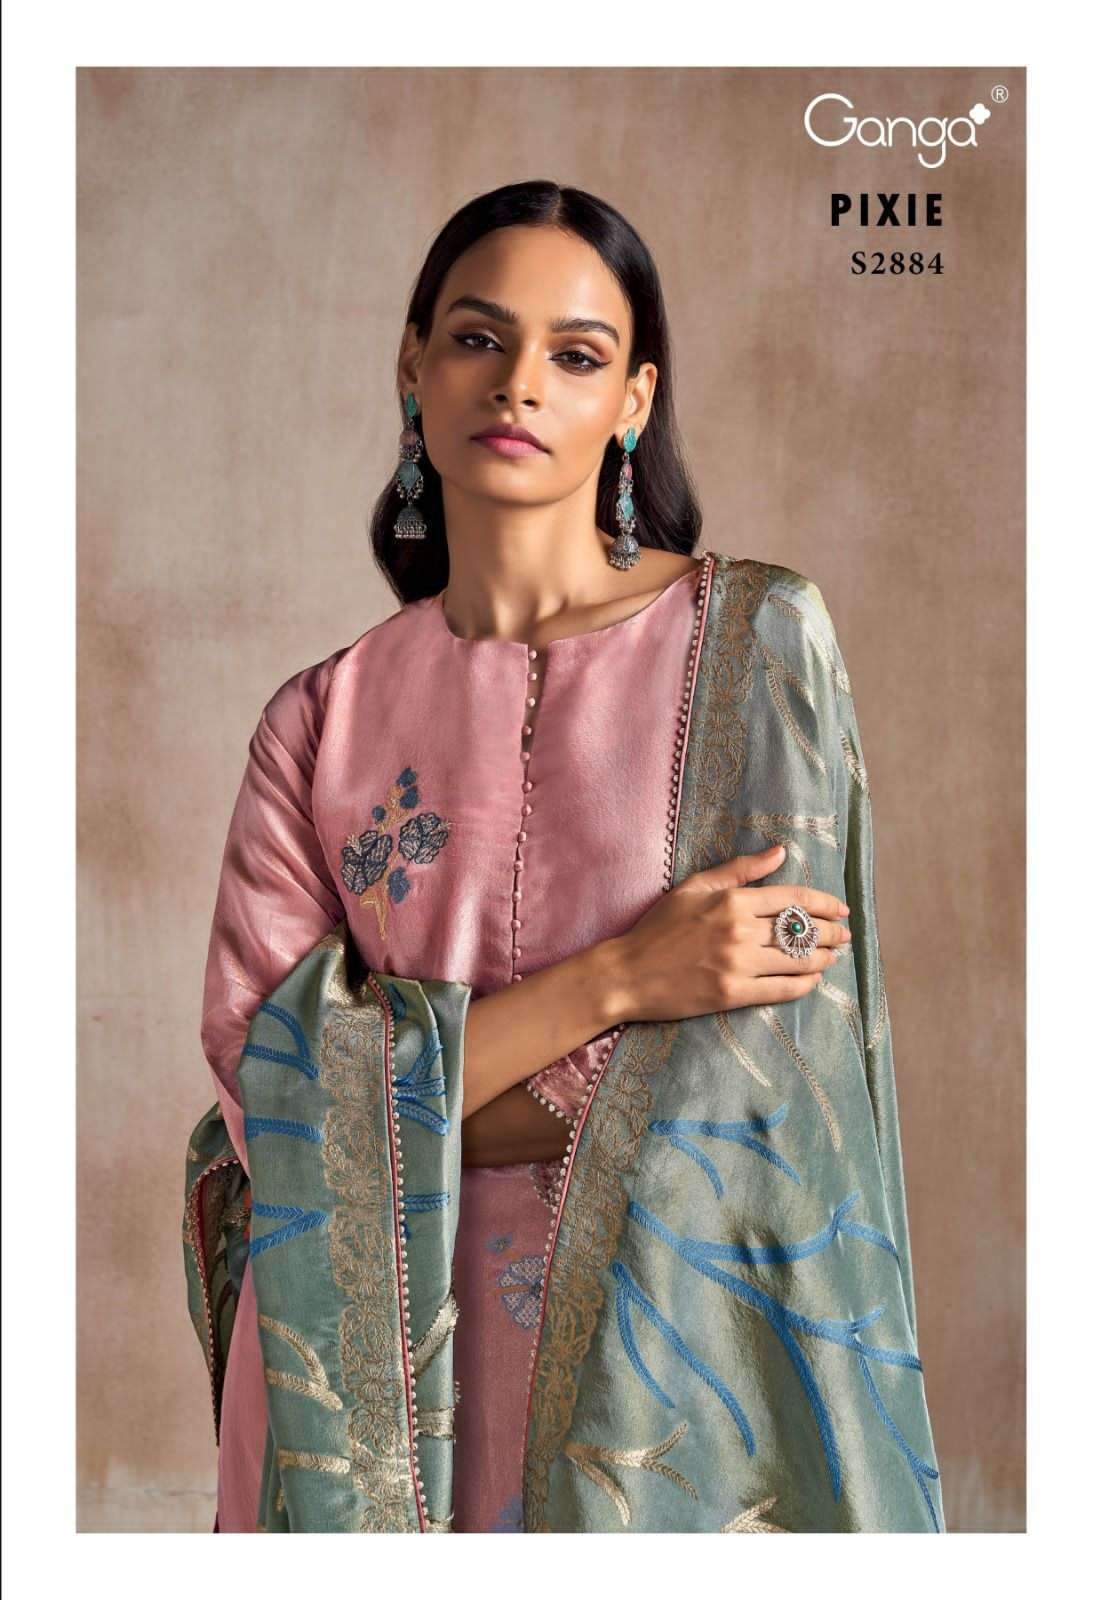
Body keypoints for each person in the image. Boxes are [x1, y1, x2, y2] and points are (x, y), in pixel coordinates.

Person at [187, 179, 944, 1533]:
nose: (519, 384)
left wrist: (390, 1121)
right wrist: (623, 982)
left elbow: (769, 1073)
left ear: (633, 401)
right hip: (372, 1414)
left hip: (674, 1383)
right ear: (414, 369)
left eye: (576, 355)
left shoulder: (756, 647)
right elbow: (268, 1102)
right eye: (478, 339)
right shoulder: (318, 719)